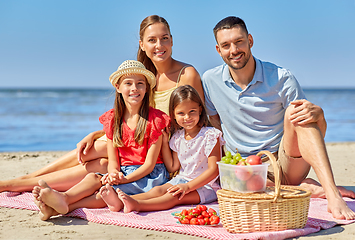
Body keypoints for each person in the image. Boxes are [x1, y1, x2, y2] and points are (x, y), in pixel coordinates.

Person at [0, 15, 204, 193]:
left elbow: (197, 119)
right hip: (138, 141)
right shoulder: (141, 77)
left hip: (162, 148)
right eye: (152, 40)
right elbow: (132, 119)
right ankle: (26, 181)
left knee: (99, 151)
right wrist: (95, 133)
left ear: (172, 40)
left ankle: (20, 183)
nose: (159, 45)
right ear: (142, 44)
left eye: (164, 39)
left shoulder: (187, 74)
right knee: (100, 159)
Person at [201, 16, 355, 220]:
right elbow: (215, 125)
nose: (234, 50)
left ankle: (332, 194)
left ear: (250, 41)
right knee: (242, 185)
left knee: (297, 111)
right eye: (226, 45)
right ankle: (302, 188)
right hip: (246, 167)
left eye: (239, 42)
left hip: (286, 161)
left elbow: (313, 131)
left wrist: (321, 116)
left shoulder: (281, 78)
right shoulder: (210, 81)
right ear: (218, 50)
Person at [34, 85, 224, 217]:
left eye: (192, 111)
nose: (187, 117)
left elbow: (213, 171)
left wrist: (187, 187)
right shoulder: (177, 137)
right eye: (181, 113)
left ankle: (136, 204)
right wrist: (164, 141)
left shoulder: (210, 135)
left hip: (205, 187)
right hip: (182, 180)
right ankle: (62, 205)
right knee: (158, 189)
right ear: (174, 115)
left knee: (171, 197)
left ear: (200, 109)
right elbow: (173, 165)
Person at [32, 60, 170, 220]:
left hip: (149, 175)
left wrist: (123, 179)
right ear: (118, 87)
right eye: (128, 83)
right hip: (123, 171)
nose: (134, 88)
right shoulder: (113, 119)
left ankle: (61, 206)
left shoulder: (155, 119)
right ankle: (64, 198)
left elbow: (148, 165)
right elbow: (113, 160)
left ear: (146, 88)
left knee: (107, 192)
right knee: (93, 177)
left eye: (140, 83)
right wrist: (113, 173)